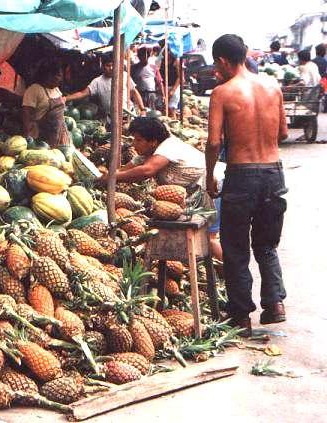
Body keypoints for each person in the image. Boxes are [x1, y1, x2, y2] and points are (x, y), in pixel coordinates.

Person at [205, 34, 288, 337]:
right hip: (273, 173)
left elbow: (214, 141)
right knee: (267, 244)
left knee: (235, 248)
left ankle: (241, 316)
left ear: (224, 61)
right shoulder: (273, 87)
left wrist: (210, 174)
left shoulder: (222, 93)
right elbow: (282, 132)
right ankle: (275, 304)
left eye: (216, 65)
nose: (216, 71)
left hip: (241, 175)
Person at [100, 117, 225, 260]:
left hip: (214, 185)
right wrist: (105, 176)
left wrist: (111, 177)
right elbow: (123, 171)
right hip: (205, 190)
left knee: (210, 238)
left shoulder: (168, 147)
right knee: (210, 238)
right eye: (133, 139)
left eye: (139, 140)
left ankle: (234, 279)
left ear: (153, 141)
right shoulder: (147, 154)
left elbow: (147, 171)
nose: (134, 145)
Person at [64, 54, 147, 122]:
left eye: (112, 65)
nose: (111, 68)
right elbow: (82, 93)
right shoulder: (97, 81)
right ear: (102, 66)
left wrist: (142, 109)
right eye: (108, 65)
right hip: (112, 120)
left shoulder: (124, 75)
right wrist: (65, 98)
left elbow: (134, 92)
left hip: (129, 116)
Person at [22, 59, 71, 150]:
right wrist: (29, 141)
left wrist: (64, 133)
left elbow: (60, 116)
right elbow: (27, 118)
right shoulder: (34, 90)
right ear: (49, 75)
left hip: (57, 135)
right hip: (42, 139)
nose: (61, 79)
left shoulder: (56, 89)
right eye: (59, 75)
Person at [159, 48, 182, 119]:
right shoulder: (162, 62)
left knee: (171, 108)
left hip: (174, 87)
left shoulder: (176, 62)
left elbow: (179, 77)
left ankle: (174, 123)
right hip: (164, 87)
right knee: (164, 109)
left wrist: (173, 90)